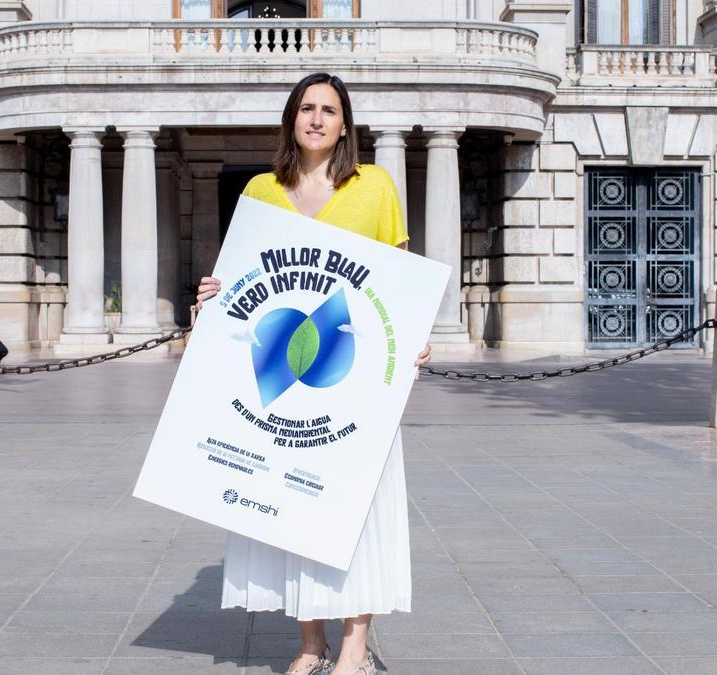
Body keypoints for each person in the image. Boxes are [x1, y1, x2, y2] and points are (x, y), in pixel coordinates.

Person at [195, 72, 431, 675]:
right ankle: (311, 641)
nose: (318, 119)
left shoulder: (375, 185)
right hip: (285, 375)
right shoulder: (260, 190)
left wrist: (411, 338)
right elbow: (244, 280)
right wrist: (213, 294)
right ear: (291, 120)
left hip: (352, 377)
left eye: (329, 110)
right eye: (307, 109)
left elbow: (396, 277)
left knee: (361, 505)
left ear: (345, 123)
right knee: (291, 504)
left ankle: (355, 642)